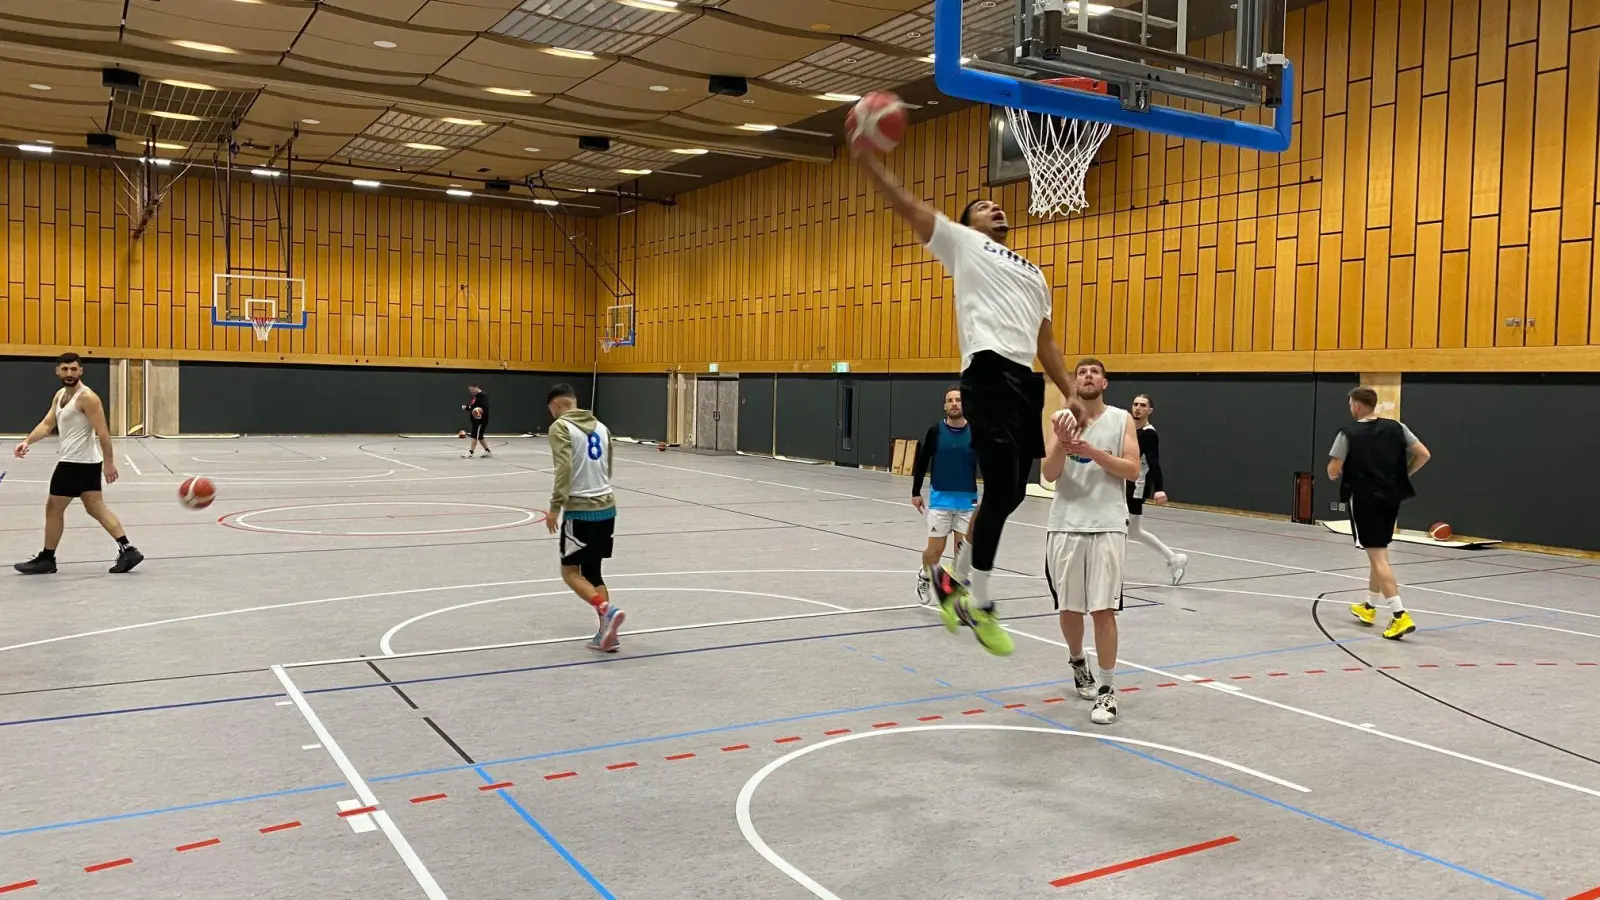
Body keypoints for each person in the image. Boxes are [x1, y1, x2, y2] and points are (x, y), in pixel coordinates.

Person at [854, 148, 1077, 657]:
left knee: (1015, 493)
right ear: (967, 223)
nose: (996, 208)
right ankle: (981, 603)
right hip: (988, 372)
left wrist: (1069, 392)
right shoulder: (965, 246)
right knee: (998, 488)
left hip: (1025, 380)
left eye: (999, 206)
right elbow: (908, 206)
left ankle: (950, 581)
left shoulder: (1035, 274)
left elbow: (1047, 343)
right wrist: (869, 161)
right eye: (983, 205)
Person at [1041, 359, 1140, 725]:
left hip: (1108, 524)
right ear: (1074, 382)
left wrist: (1092, 452)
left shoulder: (1120, 419)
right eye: (1081, 372)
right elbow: (1049, 474)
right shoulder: (1059, 418)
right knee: (1069, 609)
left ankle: (1107, 690)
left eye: (1094, 372)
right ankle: (1078, 662)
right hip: (1065, 525)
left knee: (1103, 609)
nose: (1087, 376)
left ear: (1105, 382)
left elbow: (1131, 469)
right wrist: (1062, 445)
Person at [12, 353, 143, 575]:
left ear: (81, 371)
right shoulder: (61, 395)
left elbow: (103, 432)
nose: (69, 374)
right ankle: (128, 548)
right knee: (95, 507)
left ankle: (47, 558)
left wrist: (109, 463)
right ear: (58, 371)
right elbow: (47, 424)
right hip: (85, 462)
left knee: (53, 509)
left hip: (75, 463)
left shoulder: (87, 398)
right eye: (65, 369)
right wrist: (27, 441)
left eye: (73, 369)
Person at [1328, 386, 1431, 640]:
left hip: (1364, 500)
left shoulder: (1347, 433)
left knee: (1378, 558)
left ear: (1357, 405)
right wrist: (1402, 474)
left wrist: (1339, 470)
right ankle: (1369, 606)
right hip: (1391, 498)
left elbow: (1332, 471)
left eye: (1351, 403)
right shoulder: (1397, 428)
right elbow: (1423, 454)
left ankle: (1399, 615)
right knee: (1379, 551)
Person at [545, 383, 625, 652]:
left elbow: (563, 467)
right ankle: (606, 634)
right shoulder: (601, 427)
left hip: (581, 511)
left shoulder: (561, 427)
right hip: (607, 507)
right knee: (593, 571)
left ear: (557, 405)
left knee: (569, 571)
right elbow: (608, 466)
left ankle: (607, 611)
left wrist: (555, 507)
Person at [911, 387, 979, 606]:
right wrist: (916, 491)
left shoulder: (976, 431)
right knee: (935, 551)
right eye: (950, 400)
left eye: (958, 400)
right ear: (945, 406)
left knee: (963, 552)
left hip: (967, 501)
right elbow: (922, 461)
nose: (954, 403)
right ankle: (924, 574)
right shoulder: (936, 431)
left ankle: (957, 596)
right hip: (941, 499)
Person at [1126, 394, 1188, 584]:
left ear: (1150, 411)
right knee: (1134, 532)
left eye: (1143, 405)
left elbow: (1154, 463)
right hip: (1123, 483)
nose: (1137, 408)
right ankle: (1174, 559)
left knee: (1118, 529)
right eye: (1135, 404)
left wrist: (1159, 488)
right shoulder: (1128, 430)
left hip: (1135, 487)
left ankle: (1107, 570)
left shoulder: (1149, 434)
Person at [463, 383, 491, 459]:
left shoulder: (483, 396)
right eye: (470, 390)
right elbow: (473, 407)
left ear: (476, 387)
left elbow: (484, 408)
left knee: (474, 435)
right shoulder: (475, 397)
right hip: (475, 421)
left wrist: (480, 415)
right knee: (480, 437)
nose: (471, 391)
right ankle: (487, 451)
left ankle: (471, 452)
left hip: (481, 421)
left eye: (472, 390)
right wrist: (466, 408)